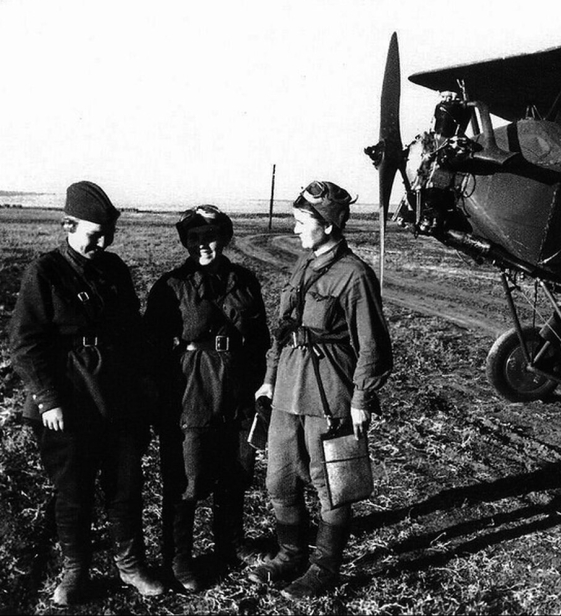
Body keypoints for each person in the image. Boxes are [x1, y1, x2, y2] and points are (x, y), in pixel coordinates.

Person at [8, 181, 165, 606]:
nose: (103, 242)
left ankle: (131, 566)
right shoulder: (45, 272)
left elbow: (133, 333)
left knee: (126, 487)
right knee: (73, 491)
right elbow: (25, 343)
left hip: (118, 397)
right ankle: (75, 570)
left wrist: (143, 389)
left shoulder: (114, 269)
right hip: (69, 399)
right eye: (94, 234)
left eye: (107, 234)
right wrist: (48, 400)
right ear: (68, 225)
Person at [248, 180, 393, 599]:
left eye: (301, 222)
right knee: (279, 480)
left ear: (328, 226)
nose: (295, 229)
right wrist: (270, 379)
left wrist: (362, 398)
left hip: (329, 390)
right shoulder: (305, 265)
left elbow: (373, 345)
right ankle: (290, 554)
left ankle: (325, 566)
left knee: (330, 481)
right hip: (288, 390)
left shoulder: (355, 276)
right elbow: (284, 330)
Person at [143, 205, 270, 592]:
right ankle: (178, 557)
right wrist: (162, 395)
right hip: (191, 386)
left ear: (225, 237)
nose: (202, 245)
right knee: (185, 474)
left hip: (237, 382)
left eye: (210, 236)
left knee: (235, 466)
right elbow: (150, 347)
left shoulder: (244, 280)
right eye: (194, 237)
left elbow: (261, 338)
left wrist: (262, 384)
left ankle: (231, 544)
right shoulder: (172, 286)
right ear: (185, 242)